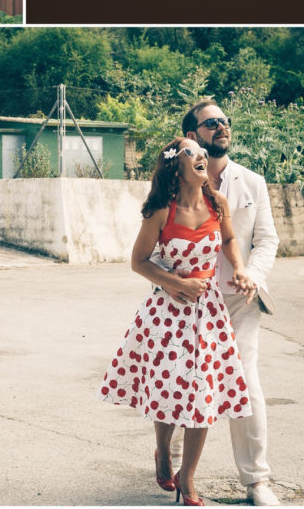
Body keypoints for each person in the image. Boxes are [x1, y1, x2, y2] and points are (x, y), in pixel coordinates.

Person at [99, 137, 257, 506]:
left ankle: (187, 480)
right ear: (175, 166)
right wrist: (178, 283)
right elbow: (139, 262)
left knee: (202, 394)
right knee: (170, 391)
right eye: (191, 153)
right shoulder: (160, 211)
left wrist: (240, 268)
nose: (201, 156)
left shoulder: (218, 203)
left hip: (208, 314)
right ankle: (162, 451)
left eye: (201, 152)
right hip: (167, 315)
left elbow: (230, 239)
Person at [182, 100, 280, 506]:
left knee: (245, 384)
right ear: (193, 136)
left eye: (224, 121)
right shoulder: (178, 180)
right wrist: (175, 282)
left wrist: (252, 276)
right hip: (188, 299)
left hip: (239, 300)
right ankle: (174, 469)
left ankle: (257, 481)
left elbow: (267, 240)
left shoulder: (252, 181)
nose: (222, 126)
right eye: (211, 123)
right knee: (183, 382)